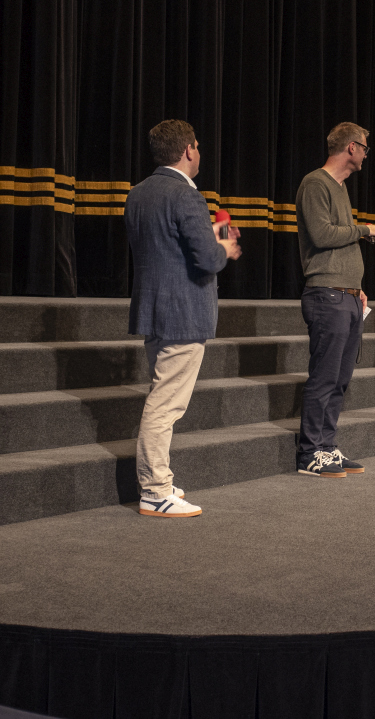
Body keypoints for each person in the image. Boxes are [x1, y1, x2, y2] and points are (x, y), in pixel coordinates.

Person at [125, 119, 242, 516]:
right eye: (198, 147)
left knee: (163, 396)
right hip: (183, 313)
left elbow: (165, 249)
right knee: (165, 405)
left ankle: (160, 481)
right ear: (189, 149)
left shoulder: (138, 193)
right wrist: (224, 246)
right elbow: (207, 259)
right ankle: (155, 491)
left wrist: (211, 239)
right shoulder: (186, 195)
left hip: (155, 309)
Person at [293, 122, 375, 477]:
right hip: (326, 295)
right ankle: (309, 453)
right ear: (352, 147)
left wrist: (355, 287)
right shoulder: (316, 183)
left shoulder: (340, 187)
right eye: (365, 148)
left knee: (341, 379)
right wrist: (363, 230)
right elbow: (322, 234)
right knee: (325, 377)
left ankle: (327, 447)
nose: (366, 155)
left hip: (347, 295)